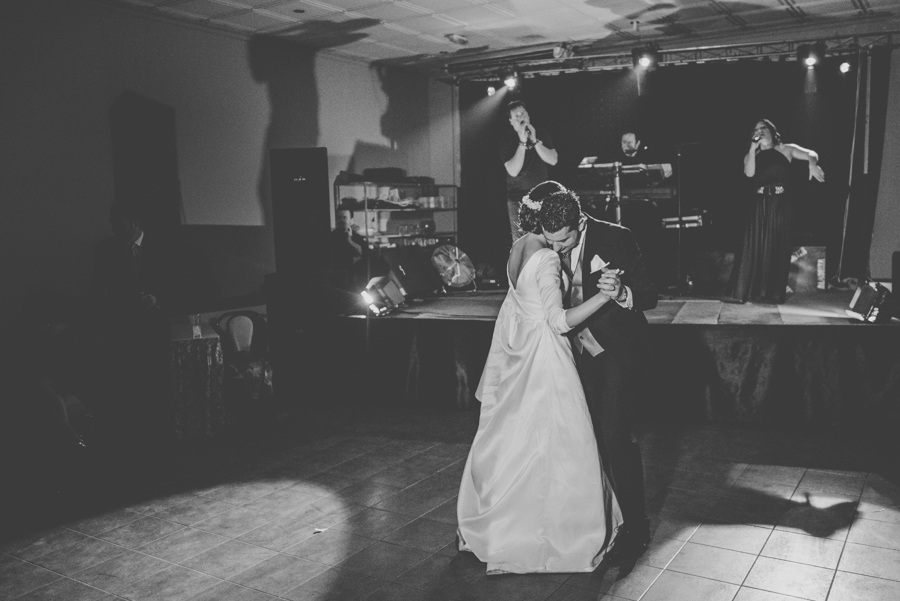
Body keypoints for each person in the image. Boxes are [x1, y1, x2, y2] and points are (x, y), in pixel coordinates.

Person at [457, 182, 622, 575]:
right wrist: (604, 297)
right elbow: (558, 321)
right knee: (560, 445)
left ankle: (507, 524)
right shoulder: (546, 258)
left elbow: (517, 306)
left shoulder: (518, 248)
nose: (561, 245)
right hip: (546, 357)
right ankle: (560, 536)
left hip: (519, 357)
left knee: (517, 441)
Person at [538, 187, 659, 565]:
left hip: (614, 353)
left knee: (615, 435)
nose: (556, 250)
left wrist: (622, 290)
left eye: (564, 241)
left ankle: (636, 527)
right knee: (580, 438)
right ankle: (596, 518)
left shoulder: (616, 237)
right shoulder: (543, 245)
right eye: (550, 241)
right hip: (568, 356)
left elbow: (650, 294)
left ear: (580, 223)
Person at [728, 119, 825, 304]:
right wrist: (751, 149)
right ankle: (750, 292)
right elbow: (749, 174)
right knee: (755, 246)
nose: (760, 131)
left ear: (772, 130)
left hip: (781, 203)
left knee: (777, 246)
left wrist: (812, 164)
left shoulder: (785, 149)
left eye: (763, 127)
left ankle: (771, 293)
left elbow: (812, 153)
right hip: (758, 203)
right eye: (756, 129)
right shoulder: (751, 155)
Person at [500, 100, 558, 242]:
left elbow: (553, 160)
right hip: (517, 199)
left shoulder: (541, 133)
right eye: (516, 116)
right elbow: (513, 170)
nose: (521, 118)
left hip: (542, 196)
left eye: (523, 114)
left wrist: (535, 140)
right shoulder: (507, 139)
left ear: (529, 116)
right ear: (511, 121)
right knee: (521, 241)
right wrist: (522, 142)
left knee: (547, 237)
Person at [329, 207, 369, 291]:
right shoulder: (331, 238)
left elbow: (365, 254)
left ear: (351, 220)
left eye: (344, 217)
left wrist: (350, 241)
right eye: (339, 218)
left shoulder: (357, 238)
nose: (341, 220)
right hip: (338, 280)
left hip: (356, 281)